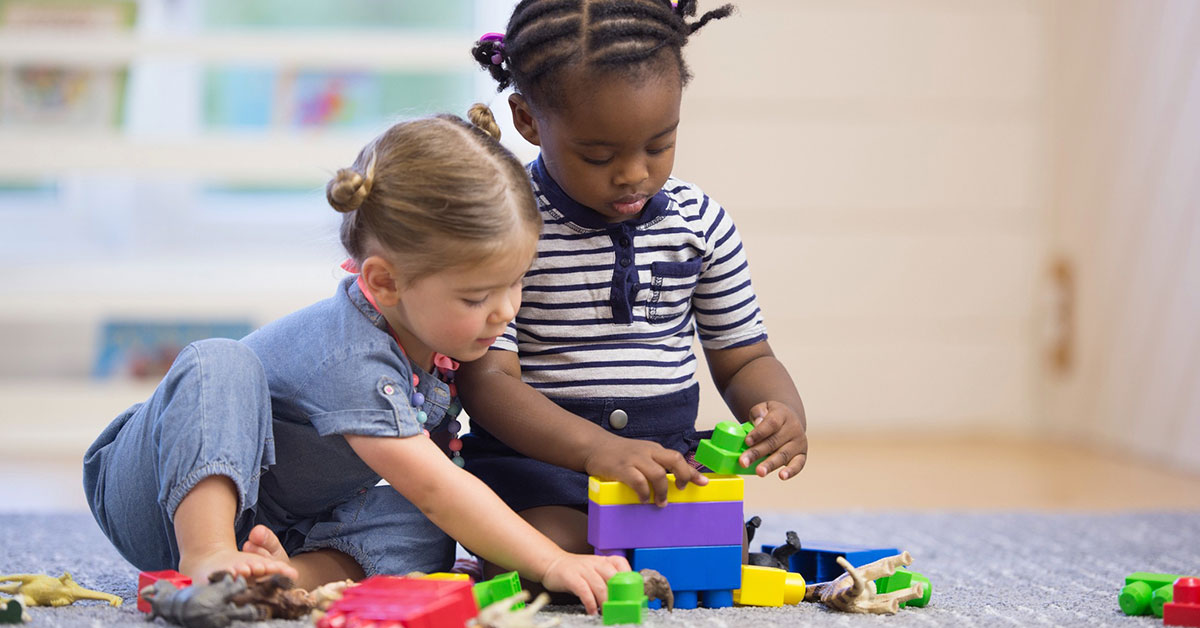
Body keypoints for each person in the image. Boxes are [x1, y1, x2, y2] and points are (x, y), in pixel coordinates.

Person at [81, 105, 628, 614]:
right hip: (155, 492)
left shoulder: (432, 340)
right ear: (385, 282)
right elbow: (440, 485)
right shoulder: (353, 355)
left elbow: (433, 494)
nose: (505, 312)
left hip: (281, 518)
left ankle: (280, 579)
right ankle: (209, 557)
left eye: (515, 284)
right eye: (475, 298)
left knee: (424, 530)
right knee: (219, 362)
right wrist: (552, 560)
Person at [459, 0, 809, 577]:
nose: (634, 174)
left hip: (665, 462)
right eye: (598, 155)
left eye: (658, 145)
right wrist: (595, 451)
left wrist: (780, 413)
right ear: (527, 120)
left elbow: (745, 358)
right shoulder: (510, 223)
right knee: (551, 546)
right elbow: (488, 379)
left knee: (713, 557)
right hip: (541, 462)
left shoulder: (702, 225)